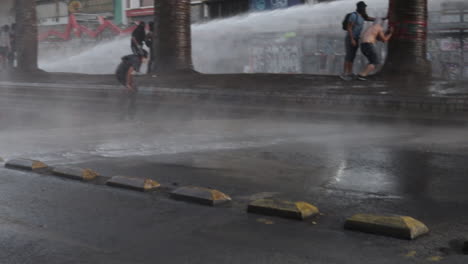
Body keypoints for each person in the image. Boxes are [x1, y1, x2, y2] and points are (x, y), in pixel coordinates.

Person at [340, 1, 376, 81]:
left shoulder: (362, 16)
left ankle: (349, 73)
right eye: (363, 8)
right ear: (359, 8)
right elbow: (349, 28)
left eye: (364, 8)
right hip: (350, 38)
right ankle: (344, 73)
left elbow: (369, 18)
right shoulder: (354, 15)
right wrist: (352, 39)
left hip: (356, 39)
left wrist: (381, 19)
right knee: (349, 56)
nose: (364, 9)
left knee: (352, 56)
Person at [115, 50, 148, 120]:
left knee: (133, 89)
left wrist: (131, 83)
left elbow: (130, 72)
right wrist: (128, 84)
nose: (146, 59)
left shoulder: (134, 58)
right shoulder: (137, 60)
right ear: (142, 56)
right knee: (132, 92)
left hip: (120, 73)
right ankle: (127, 114)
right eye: (145, 57)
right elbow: (130, 71)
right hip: (122, 75)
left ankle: (128, 111)